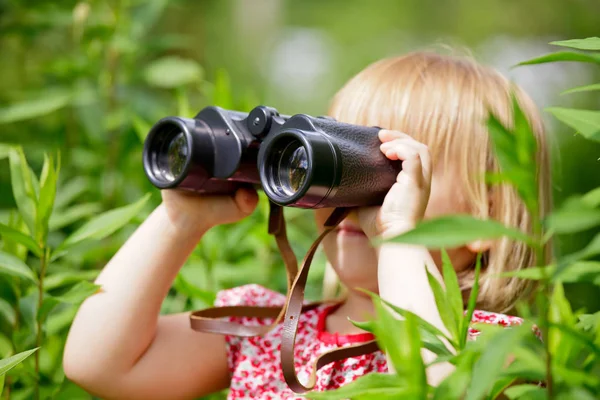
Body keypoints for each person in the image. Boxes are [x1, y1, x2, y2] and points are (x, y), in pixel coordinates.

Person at [63, 51, 551, 399]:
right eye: (339, 155)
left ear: (484, 220)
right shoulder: (268, 332)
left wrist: (401, 232)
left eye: (391, 168)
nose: (353, 190)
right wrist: (179, 218)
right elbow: (100, 365)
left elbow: (446, 387)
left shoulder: (498, 345)